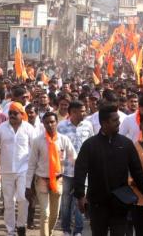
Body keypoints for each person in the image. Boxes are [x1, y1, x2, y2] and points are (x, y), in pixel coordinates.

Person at [74, 103, 143, 236]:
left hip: (120, 205)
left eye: (118, 119)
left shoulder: (126, 144)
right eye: (115, 120)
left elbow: (137, 171)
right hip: (97, 205)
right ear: (104, 123)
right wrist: (80, 195)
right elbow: (80, 171)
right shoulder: (90, 145)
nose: (119, 122)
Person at [26, 112, 76, 236]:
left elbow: (74, 158)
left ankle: (48, 233)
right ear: (43, 123)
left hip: (58, 181)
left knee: (54, 214)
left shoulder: (64, 139)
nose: (50, 124)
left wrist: (81, 175)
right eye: (47, 122)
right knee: (45, 213)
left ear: (56, 123)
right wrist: (27, 186)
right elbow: (31, 164)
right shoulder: (37, 141)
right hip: (41, 180)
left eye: (52, 122)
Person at [0, 102, 35, 236]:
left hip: (24, 169)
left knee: (23, 198)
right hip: (6, 170)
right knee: (8, 202)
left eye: (15, 113)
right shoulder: (1, 128)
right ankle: (11, 230)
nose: (12, 115)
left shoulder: (29, 129)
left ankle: (21, 225)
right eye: (10, 113)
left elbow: (35, 149)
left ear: (22, 114)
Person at [58, 100, 94, 236]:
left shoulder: (88, 126)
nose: (84, 113)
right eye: (82, 111)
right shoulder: (61, 127)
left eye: (85, 110)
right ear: (72, 112)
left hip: (84, 171)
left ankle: (78, 230)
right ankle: (66, 229)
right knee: (66, 202)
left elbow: (92, 145)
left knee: (81, 199)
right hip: (66, 171)